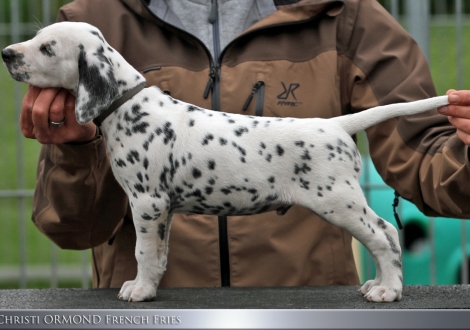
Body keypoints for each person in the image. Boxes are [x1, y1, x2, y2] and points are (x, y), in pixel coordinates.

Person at [20, 0, 470, 289]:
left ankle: (388, 265)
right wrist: (75, 151)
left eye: (41, 49)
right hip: (161, 316)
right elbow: (71, 229)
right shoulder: (92, 24)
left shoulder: (347, 16)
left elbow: (430, 157)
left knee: (346, 209)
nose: (20, 51)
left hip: (308, 308)